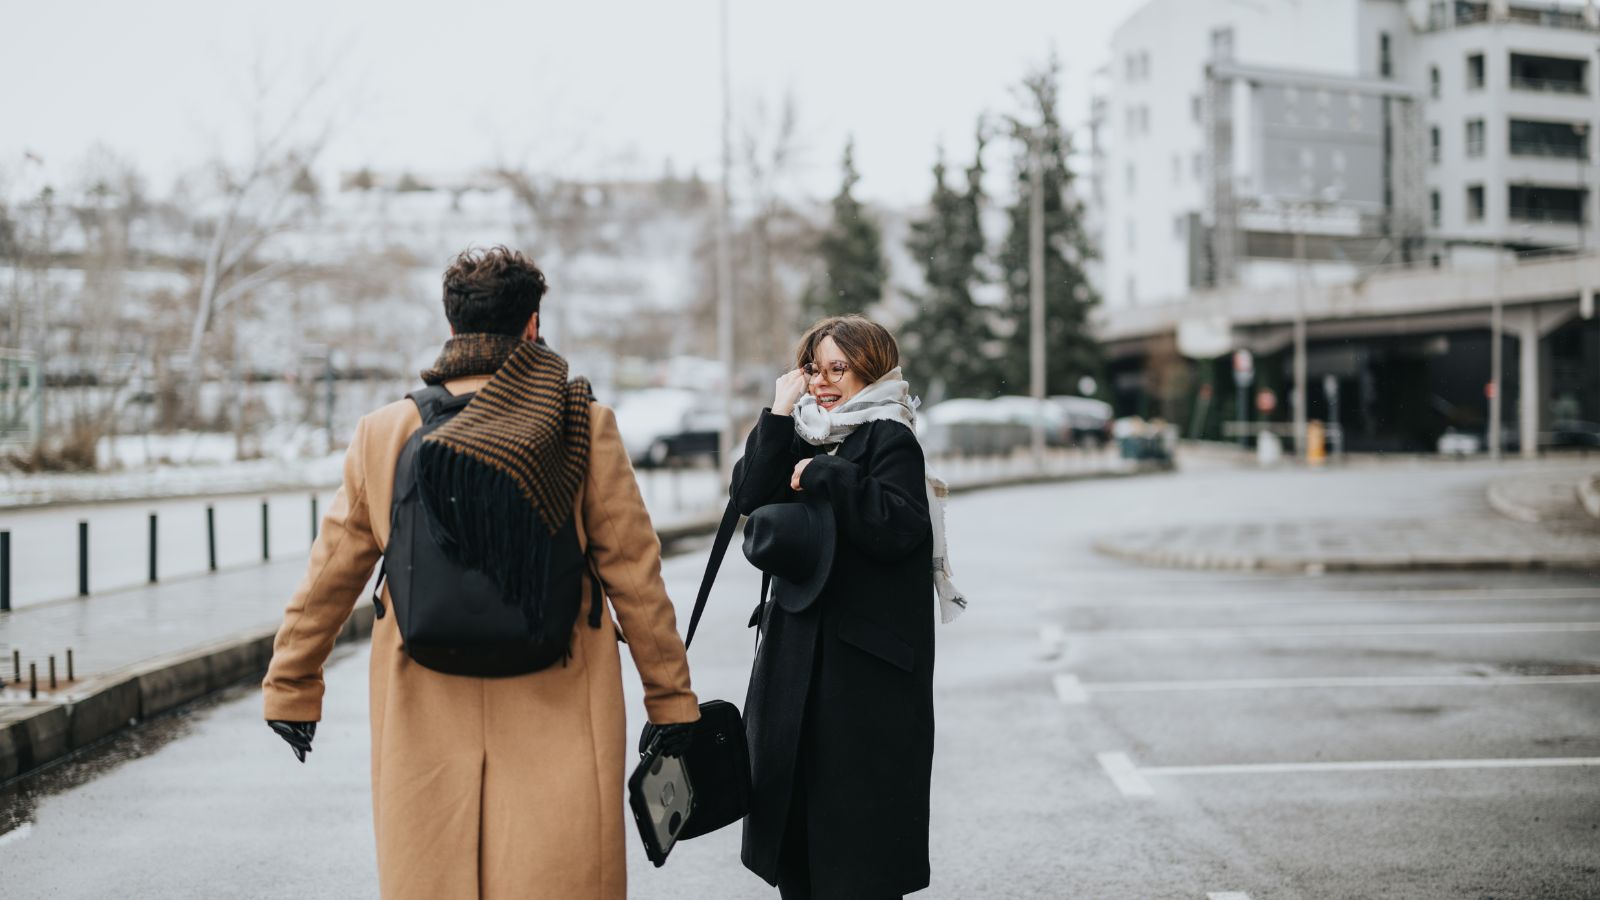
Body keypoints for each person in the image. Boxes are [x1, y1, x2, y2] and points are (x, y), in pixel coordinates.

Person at [261, 246, 699, 899]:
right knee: (554, 871)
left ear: (452, 326)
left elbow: (331, 570)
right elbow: (635, 574)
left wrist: (292, 686)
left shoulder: (387, 431)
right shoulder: (581, 423)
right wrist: (669, 699)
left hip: (425, 687)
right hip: (560, 686)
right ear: (532, 325)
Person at [732, 315, 957, 900]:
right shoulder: (799, 430)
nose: (825, 382)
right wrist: (779, 415)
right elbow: (749, 497)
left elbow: (899, 527)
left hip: (863, 677)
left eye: (840, 368)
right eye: (815, 368)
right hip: (792, 664)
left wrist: (827, 473)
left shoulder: (890, 435)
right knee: (797, 837)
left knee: (857, 848)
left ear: (872, 370)